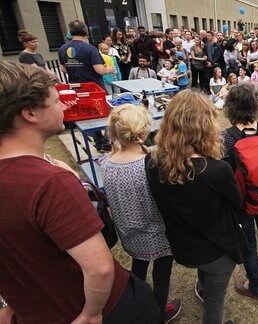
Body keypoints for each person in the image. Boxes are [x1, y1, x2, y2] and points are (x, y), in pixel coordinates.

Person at [0, 61, 161, 324]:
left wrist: (9, 303)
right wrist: (91, 313)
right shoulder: (50, 183)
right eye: (55, 101)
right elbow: (100, 268)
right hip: (98, 309)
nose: (64, 106)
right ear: (29, 113)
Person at [146, 89, 241, 324]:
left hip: (183, 249)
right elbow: (236, 203)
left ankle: (202, 286)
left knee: (209, 284)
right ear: (206, 125)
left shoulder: (152, 162)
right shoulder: (218, 171)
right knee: (214, 303)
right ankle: (205, 290)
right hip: (217, 254)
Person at [99, 104, 181, 323]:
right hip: (158, 233)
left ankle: (137, 309)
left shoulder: (106, 163)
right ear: (143, 132)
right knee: (161, 275)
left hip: (129, 232)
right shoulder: (153, 163)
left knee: (138, 270)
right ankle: (159, 315)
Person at [222, 83, 258, 301]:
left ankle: (255, 286)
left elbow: (227, 175)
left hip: (242, 202)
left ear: (231, 107)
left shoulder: (227, 137)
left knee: (248, 245)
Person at [59, 20, 114, 152]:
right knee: (107, 114)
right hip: (95, 88)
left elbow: (63, 69)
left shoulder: (63, 49)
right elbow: (99, 70)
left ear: (71, 32)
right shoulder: (90, 49)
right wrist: (109, 70)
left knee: (89, 115)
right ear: (86, 32)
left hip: (76, 88)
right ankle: (106, 143)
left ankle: (98, 142)